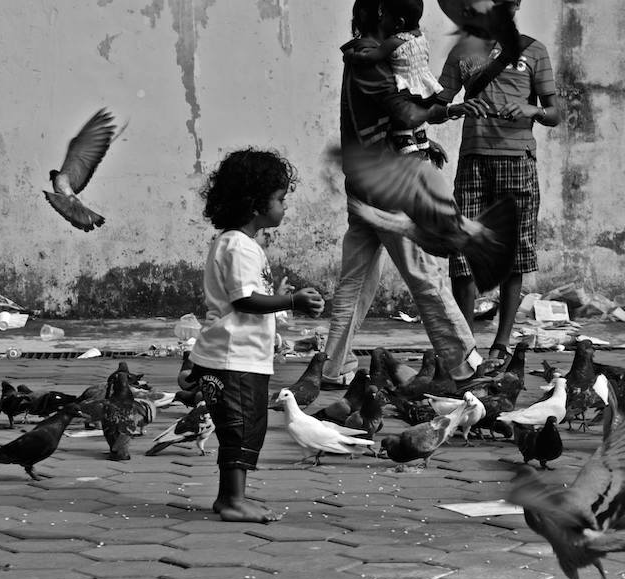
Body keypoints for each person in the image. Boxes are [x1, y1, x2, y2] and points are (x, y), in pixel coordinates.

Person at [322, 0, 488, 390]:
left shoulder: (374, 56)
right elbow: (407, 112)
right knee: (423, 273)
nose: (409, 31)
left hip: (365, 183)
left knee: (357, 280)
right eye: (403, 21)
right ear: (384, 17)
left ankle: (331, 367)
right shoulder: (368, 59)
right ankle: (462, 364)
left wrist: (423, 143)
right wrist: (448, 111)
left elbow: (402, 116)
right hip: (387, 185)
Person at [188, 148, 324, 522]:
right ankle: (232, 500)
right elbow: (245, 300)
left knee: (245, 428)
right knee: (241, 427)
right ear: (254, 204)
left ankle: (231, 497)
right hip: (234, 357)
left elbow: (249, 296)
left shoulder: (241, 245)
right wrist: (291, 299)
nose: (284, 207)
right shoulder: (238, 246)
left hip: (240, 355)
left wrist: (277, 296)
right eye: (280, 199)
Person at [436, 0, 558, 365]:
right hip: (474, 161)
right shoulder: (463, 51)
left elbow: (554, 111)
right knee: (463, 252)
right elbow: (438, 102)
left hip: (517, 160)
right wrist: (455, 109)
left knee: (514, 254)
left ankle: (501, 342)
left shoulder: (533, 50)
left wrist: (532, 109)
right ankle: (465, 343)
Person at [346, 0, 442, 156]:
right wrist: (447, 111)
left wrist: (425, 143)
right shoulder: (369, 54)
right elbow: (406, 116)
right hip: (376, 170)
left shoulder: (390, 51)